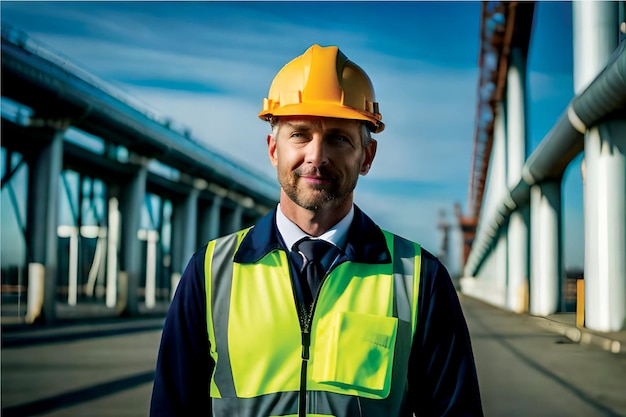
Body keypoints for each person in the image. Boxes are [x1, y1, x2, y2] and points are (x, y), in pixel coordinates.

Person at [150, 44, 483, 417]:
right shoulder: (210, 272)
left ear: (366, 157)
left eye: (339, 138)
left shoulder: (419, 277)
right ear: (274, 149)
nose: (316, 156)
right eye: (300, 134)